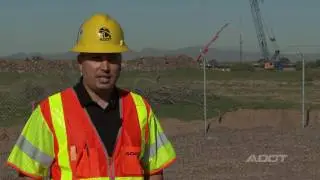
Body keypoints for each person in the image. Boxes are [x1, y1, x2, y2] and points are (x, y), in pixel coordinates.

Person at [6, 13, 176, 180]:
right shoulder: (50, 112)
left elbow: (154, 171)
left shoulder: (140, 109)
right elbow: (29, 174)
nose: (105, 67)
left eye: (112, 58)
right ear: (80, 63)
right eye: (96, 58)